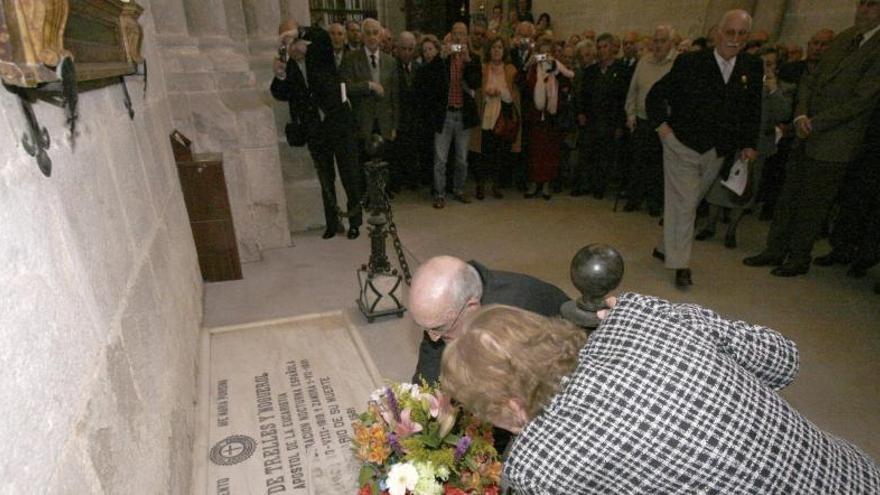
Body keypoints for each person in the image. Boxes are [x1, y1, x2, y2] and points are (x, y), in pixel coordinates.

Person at [440, 296, 880, 493]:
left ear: (508, 407)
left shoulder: (539, 465)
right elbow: (783, 358)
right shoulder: (639, 313)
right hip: (857, 475)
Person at [744, 0, 880, 277]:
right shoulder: (845, 38)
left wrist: (816, 123)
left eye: (871, 5)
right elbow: (810, 77)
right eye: (861, 4)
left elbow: (862, 100)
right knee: (788, 196)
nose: (862, 9)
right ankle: (775, 249)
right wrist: (801, 115)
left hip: (835, 141)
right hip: (805, 133)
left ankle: (798, 257)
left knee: (813, 204)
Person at [646, 10, 763, 288]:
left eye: (742, 34)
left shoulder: (752, 66)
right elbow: (655, 96)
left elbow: (752, 108)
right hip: (681, 145)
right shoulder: (690, 62)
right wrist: (663, 130)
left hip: (718, 150)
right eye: (730, 32)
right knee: (685, 204)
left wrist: (749, 143)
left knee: (688, 201)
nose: (735, 39)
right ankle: (680, 264)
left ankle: (665, 245)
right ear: (717, 33)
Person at [409, 256, 569, 384]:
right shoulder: (449, 308)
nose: (433, 337)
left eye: (439, 328)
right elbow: (430, 371)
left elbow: (516, 398)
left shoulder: (514, 316)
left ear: (472, 307)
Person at [271, 19, 363, 240]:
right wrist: (280, 74)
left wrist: (299, 32)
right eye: (285, 44)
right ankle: (332, 223)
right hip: (315, 130)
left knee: (349, 174)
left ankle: (355, 222)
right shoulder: (288, 66)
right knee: (325, 178)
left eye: (292, 40)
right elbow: (279, 92)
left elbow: (322, 36)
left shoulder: (319, 52)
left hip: (339, 124)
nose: (291, 47)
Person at [699, 46, 792, 248]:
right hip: (731, 142)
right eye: (762, 63)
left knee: (744, 189)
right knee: (718, 185)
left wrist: (773, 88)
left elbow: (784, 114)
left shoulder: (781, 89)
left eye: (770, 64)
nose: (765, 67)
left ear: (777, 67)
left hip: (758, 147)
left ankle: (732, 230)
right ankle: (710, 225)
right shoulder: (742, 81)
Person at [422, 22, 482, 209]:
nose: (458, 37)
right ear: (450, 36)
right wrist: (440, 58)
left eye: (461, 34)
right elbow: (431, 82)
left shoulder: (473, 58)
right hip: (445, 115)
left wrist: (467, 61)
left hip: (463, 115)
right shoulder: (443, 59)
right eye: (455, 33)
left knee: (462, 159)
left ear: (466, 37)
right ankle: (440, 193)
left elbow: (475, 84)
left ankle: (459, 189)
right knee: (440, 159)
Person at [623, 25, 677, 216]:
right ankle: (634, 198)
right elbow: (633, 91)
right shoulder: (644, 62)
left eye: (662, 41)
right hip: (642, 119)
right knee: (638, 161)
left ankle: (654, 201)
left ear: (671, 43)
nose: (658, 45)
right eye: (655, 40)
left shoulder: (677, 63)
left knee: (658, 165)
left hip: (664, 124)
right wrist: (630, 114)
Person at [573, 33, 629, 199]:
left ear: (612, 48)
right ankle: (584, 184)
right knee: (587, 153)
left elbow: (623, 99)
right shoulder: (591, 71)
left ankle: (599, 186)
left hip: (610, 119)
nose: (602, 50)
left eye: (605, 46)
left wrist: (620, 124)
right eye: (599, 47)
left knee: (604, 155)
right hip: (591, 118)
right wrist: (581, 112)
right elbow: (583, 95)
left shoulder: (621, 70)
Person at [339, 18, 400, 170]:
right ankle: (366, 193)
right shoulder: (350, 59)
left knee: (385, 163)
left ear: (381, 36)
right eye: (368, 33)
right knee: (363, 164)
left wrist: (394, 125)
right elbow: (345, 88)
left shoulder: (390, 61)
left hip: (384, 121)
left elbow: (395, 95)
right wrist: (368, 86)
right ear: (362, 36)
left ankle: (383, 192)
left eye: (375, 33)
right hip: (362, 121)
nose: (372, 37)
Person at [524, 37, 575, 200]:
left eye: (548, 52)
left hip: (552, 117)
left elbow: (567, 85)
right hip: (535, 116)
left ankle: (546, 184)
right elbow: (523, 86)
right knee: (535, 151)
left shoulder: (557, 68)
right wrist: (528, 64)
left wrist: (555, 72)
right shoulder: (532, 68)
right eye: (542, 52)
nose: (544, 55)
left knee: (550, 151)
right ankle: (534, 183)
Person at [475, 36, 519, 201]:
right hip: (485, 114)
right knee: (483, 152)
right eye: (493, 47)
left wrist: (500, 93)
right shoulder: (483, 68)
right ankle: (481, 185)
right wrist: (487, 94)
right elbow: (478, 92)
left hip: (502, 117)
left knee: (499, 153)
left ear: (504, 51)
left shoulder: (510, 69)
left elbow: (513, 96)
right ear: (489, 50)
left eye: (500, 47)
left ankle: (496, 185)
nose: (496, 50)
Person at [393, 31, 421, 191]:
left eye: (410, 49)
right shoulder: (391, 66)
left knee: (412, 150)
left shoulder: (418, 67)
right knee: (397, 151)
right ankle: (397, 181)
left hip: (414, 118)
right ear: (397, 48)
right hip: (398, 116)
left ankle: (412, 180)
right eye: (403, 48)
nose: (407, 53)